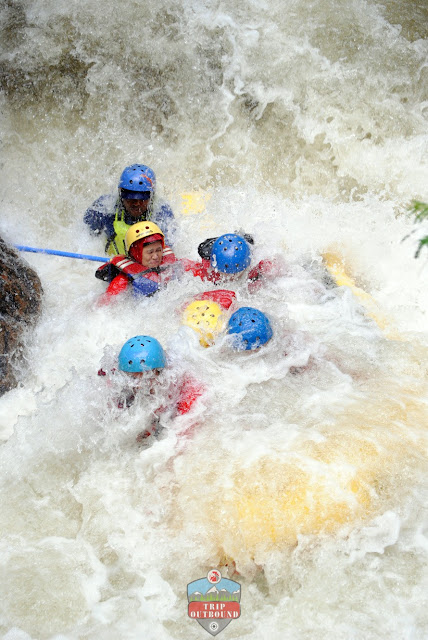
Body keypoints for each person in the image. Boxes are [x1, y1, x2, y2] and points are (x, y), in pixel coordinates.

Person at [98, 335, 205, 441]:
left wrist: (149, 432)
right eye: (132, 377)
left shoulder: (180, 384)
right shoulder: (118, 375)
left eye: (145, 378)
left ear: (159, 372)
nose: (138, 384)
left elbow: (181, 432)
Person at [84, 164, 176, 255]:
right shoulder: (104, 208)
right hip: (112, 264)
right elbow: (85, 236)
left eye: (142, 199)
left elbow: (168, 254)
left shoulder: (161, 213)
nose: (136, 203)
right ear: (121, 195)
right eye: (131, 199)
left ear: (151, 197)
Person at [95, 222, 179, 302]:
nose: (155, 256)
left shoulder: (174, 264)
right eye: (150, 252)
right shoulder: (122, 281)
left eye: (158, 250)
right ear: (136, 254)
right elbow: (102, 308)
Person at [182, 233, 286, 291]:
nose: (230, 277)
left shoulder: (255, 266)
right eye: (225, 273)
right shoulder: (206, 269)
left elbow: (278, 266)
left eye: (234, 273)